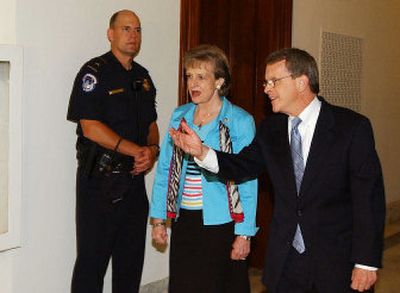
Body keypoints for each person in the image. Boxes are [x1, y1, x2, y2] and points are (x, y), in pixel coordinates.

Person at [169, 48, 386, 293]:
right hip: (286, 262)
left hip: (335, 261)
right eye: (265, 82)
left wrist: (366, 261)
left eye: (274, 81)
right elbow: (242, 166)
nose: (266, 88)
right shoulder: (271, 129)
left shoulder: (351, 128)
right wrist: (202, 152)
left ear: (302, 82)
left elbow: (368, 200)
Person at [150, 44, 258, 293]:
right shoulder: (180, 115)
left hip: (223, 221)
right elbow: (165, 169)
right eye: (189, 76)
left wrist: (244, 233)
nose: (193, 84)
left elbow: (248, 181)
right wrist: (158, 220)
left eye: (201, 76)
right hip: (185, 218)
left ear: (219, 81)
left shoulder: (240, 121)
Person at [67, 10, 159, 293]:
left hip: (133, 183)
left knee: (130, 265)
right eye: (126, 28)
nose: (133, 35)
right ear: (111, 34)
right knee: (91, 265)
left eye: (138, 30)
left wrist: (152, 150)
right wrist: (135, 150)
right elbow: (90, 126)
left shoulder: (143, 77)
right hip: (100, 184)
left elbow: (151, 123)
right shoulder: (94, 72)